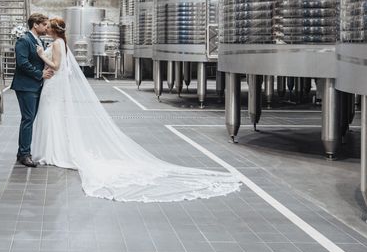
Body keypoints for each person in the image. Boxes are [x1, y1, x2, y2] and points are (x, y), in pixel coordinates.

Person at [31, 17, 241, 202]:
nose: (46, 27)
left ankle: (54, 152)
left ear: (54, 30)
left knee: (53, 116)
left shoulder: (57, 44)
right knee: (54, 117)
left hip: (54, 85)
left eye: (48, 26)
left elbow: (57, 66)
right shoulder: (60, 42)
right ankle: (53, 150)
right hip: (52, 84)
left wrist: (41, 55)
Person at [10, 13, 54, 168]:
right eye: (44, 25)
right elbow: (22, 63)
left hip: (35, 85)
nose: (46, 28)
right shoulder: (24, 40)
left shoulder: (39, 41)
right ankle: (24, 155)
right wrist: (40, 74)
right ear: (35, 25)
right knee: (28, 119)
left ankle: (22, 152)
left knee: (29, 119)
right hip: (26, 86)